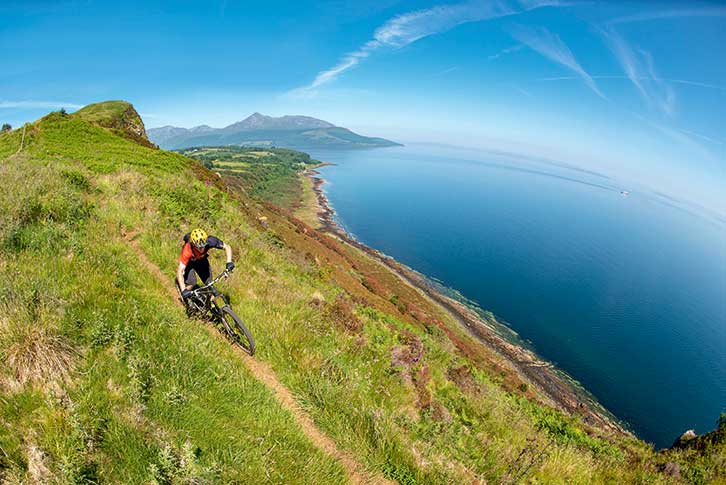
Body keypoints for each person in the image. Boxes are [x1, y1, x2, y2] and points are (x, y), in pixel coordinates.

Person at [177, 228, 234, 300]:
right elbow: (180, 271)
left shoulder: (210, 241)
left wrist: (229, 262)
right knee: (191, 283)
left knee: (210, 285)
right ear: (194, 244)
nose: (202, 248)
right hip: (190, 263)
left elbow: (227, 247)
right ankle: (185, 299)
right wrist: (183, 290)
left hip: (201, 261)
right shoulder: (187, 250)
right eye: (199, 247)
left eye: (204, 245)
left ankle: (213, 306)